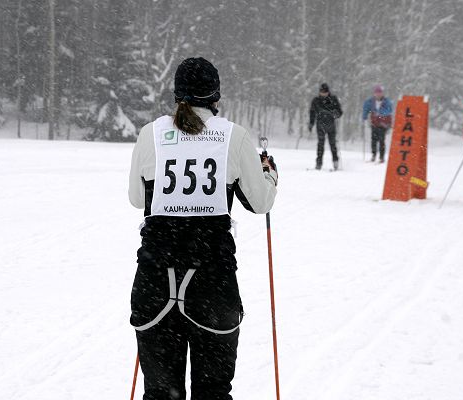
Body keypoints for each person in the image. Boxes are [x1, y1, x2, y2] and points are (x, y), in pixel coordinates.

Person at [128, 57, 278, 400]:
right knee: (212, 392)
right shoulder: (233, 136)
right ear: (216, 95)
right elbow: (260, 202)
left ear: (177, 93)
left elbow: (138, 199)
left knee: (161, 393)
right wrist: (269, 173)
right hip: (211, 284)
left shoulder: (150, 134)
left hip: (154, 282)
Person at [309, 83, 343, 170]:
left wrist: (336, 114)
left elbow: (339, 112)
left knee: (333, 144)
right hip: (320, 125)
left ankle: (335, 162)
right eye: (322, 92)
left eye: (325, 92)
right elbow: (312, 112)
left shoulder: (333, 99)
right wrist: (311, 123)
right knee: (320, 145)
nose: (323, 94)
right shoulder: (316, 100)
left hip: (331, 124)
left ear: (328, 92)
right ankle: (319, 163)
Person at [362, 85, 393, 163]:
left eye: (380, 93)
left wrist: (379, 113)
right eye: (376, 93)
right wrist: (364, 117)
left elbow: (389, 111)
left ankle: (381, 157)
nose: (378, 94)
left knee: (381, 140)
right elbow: (366, 109)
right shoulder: (370, 101)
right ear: (374, 93)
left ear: (382, 93)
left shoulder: (387, 101)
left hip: (383, 123)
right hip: (374, 123)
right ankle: (373, 155)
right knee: (373, 140)